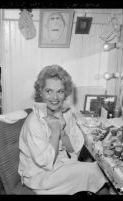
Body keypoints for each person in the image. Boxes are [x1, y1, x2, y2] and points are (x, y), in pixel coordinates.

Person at [18, 65, 110, 195]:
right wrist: (55, 131)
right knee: (93, 171)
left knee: (94, 171)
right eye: (49, 91)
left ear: (65, 92)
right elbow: (45, 162)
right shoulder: (33, 121)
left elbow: (75, 150)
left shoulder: (66, 113)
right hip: (40, 175)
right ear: (40, 92)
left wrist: (63, 131)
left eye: (60, 91)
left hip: (62, 166)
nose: (55, 97)